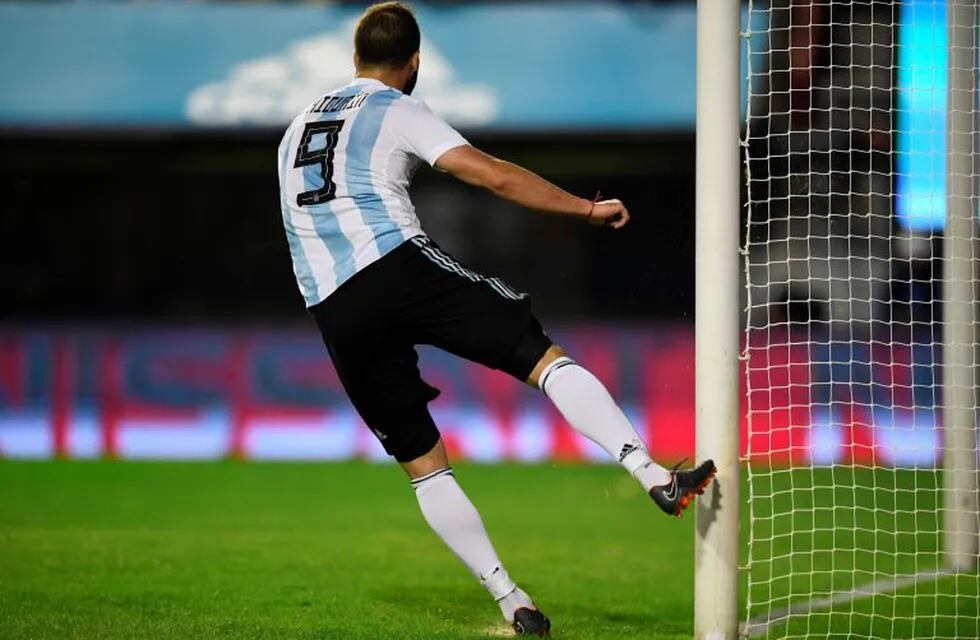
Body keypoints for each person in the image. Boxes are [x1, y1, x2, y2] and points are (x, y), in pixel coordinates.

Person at [276, 2, 715, 635]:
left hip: (334, 304)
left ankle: (513, 602)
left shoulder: (295, 129)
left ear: (354, 59)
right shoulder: (395, 108)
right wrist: (585, 212)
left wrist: (333, 308)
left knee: (424, 466)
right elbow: (490, 176)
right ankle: (651, 474)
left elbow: (296, 230)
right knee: (540, 356)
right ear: (415, 63)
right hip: (396, 264)